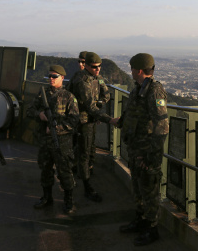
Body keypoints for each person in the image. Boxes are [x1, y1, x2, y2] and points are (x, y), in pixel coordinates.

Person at [112, 53, 169, 246]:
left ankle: (152, 229)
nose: (131, 72)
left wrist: (152, 157)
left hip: (146, 152)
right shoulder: (139, 90)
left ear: (138, 70)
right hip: (136, 149)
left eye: (131, 69)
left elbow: (162, 126)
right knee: (137, 188)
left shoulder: (154, 91)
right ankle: (141, 220)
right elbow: (134, 116)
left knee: (150, 191)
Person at [27, 65, 79, 214]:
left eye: (54, 76)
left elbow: (74, 121)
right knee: (45, 169)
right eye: (49, 76)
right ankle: (46, 197)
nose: (50, 79)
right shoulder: (42, 94)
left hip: (62, 142)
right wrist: (40, 115)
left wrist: (57, 128)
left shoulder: (69, 97)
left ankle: (68, 200)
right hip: (45, 141)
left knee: (65, 171)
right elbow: (30, 110)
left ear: (62, 78)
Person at [69, 52, 115, 202]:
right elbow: (89, 105)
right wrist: (109, 119)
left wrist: (99, 107)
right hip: (82, 121)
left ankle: (82, 175)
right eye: (95, 67)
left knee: (88, 150)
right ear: (87, 66)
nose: (98, 69)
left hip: (91, 120)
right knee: (84, 153)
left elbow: (106, 95)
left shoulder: (97, 78)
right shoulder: (82, 80)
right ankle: (87, 187)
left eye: (100, 66)